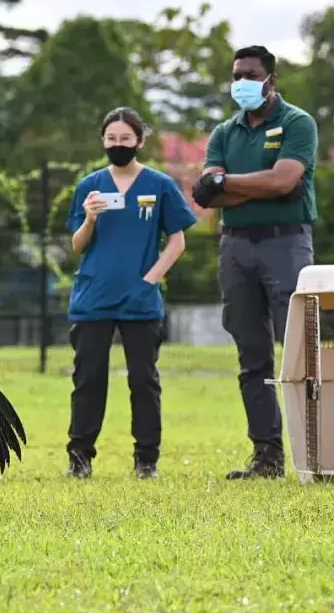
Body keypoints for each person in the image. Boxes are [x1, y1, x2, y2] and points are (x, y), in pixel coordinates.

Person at [191, 45, 318, 480]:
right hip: (236, 246)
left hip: (286, 246)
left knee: (300, 350)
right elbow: (208, 194)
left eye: (249, 74)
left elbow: (286, 179)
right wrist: (264, 186)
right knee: (252, 354)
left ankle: (316, 450)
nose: (241, 82)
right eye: (236, 75)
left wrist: (231, 184)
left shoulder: (297, 123)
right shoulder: (224, 132)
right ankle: (267, 455)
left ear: (271, 80)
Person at [64, 107, 198, 480]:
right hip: (93, 299)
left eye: (125, 139)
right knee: (89, 378)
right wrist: (89, 218)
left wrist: (151, 279)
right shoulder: (88, 187)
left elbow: (178, 240)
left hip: (140, 301)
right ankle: (80, 456)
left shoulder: (159, 185)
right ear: (103, 142)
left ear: (139, 140)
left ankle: (146, 459)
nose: (118, 145)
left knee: (144, 379)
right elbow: (77, 245)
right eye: (111, 139)